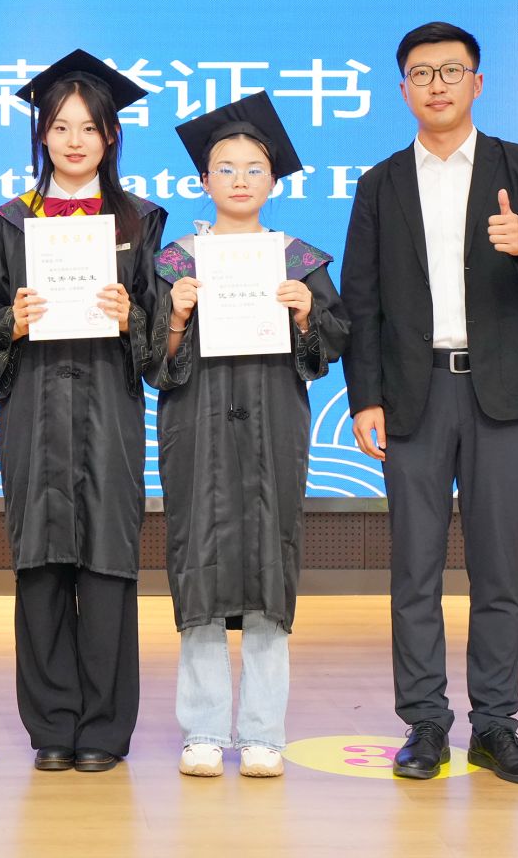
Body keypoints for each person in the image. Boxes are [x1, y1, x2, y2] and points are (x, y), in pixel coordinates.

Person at [340, 21, 518, 785]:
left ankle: (496, 725)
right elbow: (361, 299)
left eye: (450, 70)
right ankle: (425, 723)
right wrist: (364, 398)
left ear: (478, 82)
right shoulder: (380, 184)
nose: (436, 84)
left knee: (497, 567)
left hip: (500, 392)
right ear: (402, 89)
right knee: (414, 568)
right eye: (421, 72)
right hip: (412, 394)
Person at [147, 92, 347, 779]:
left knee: (269, 564)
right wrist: (175, 316)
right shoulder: (175, 262)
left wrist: (306, 313)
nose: (239, 179)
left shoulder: (299, 262)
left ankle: (264, 731)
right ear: (203, 180)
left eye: (254, 168)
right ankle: (203, 729)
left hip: (272, 432)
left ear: (274, 181)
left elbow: (331, 344)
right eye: (225, 168)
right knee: (199, 566)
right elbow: (151, 361)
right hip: (196, 430)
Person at [0, 51, 165, 773]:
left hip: (109, 413)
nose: (74, 140)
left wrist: (132, 319)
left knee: (107, 562)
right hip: (33, 410)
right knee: (40, 563)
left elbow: (163, 337)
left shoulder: (140, 222)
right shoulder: (6, 223)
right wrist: (10, 323)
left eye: (89, 127)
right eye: (60, 126)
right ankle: (51, 724)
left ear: (111, 136)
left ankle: (105, 728)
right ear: (41, 136)